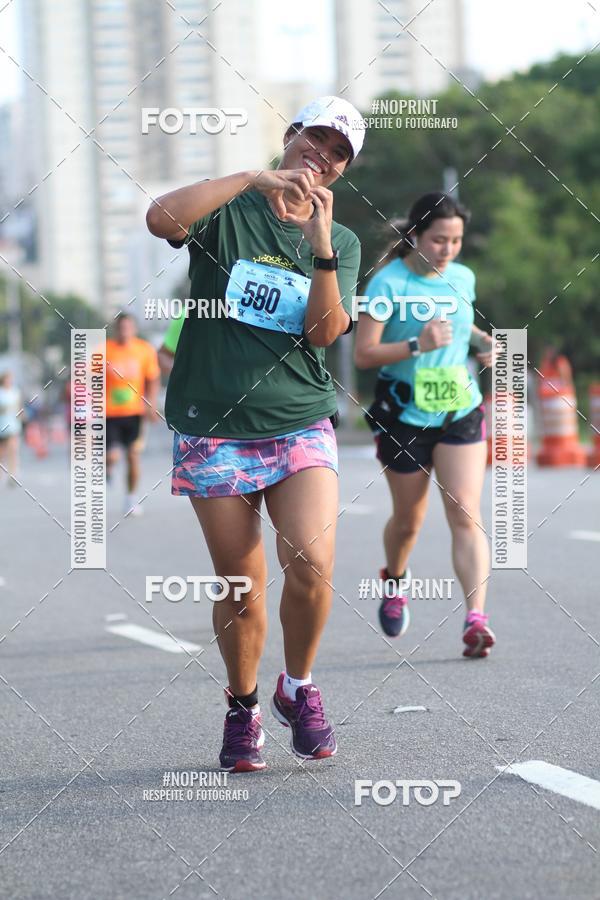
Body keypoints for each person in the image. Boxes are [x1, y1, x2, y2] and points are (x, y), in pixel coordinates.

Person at [146, 96, 365, 772]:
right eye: (313, 137)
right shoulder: (228, 209)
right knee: (241, 584)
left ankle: (297, 687)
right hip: (213, 422)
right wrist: (250, 178)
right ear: (291, 134)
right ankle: (242, 709)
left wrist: (322, 248)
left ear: (340, 169)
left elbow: (325, 333)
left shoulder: (344, 240)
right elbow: (160, 218)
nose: (319, 155)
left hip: (298, 415)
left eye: (336, 151)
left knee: (312, 559)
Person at [355, 192, 496, 659]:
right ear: (416, 235)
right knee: (410, 520)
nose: (448, 250)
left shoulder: (463, 277)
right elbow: (364, 354)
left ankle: (476, 618)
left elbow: (463, 322)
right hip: (404, 416)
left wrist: (480, 341)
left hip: (459, 408)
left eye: (455, 241)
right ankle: (395, 580)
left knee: (464, 511)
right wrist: (418, 344)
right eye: (439, 240)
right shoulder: (387, 284)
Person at [105, 313, 160, 516]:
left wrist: (151, 405)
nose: (124, 331)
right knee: (112, 456)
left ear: (134, 329)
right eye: (121, 327)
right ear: (116, 329)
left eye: (128, 327)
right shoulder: (105, 350)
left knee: (133, 456)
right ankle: (108, 467)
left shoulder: (144, 350)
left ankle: (130, 498)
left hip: (134, 412)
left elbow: (152, 379)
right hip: (109, 413)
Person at [0, 370, 22, 485]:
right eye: (7, 379)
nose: (9, 381)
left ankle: (12, 475)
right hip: (2, 424)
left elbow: (19, 407)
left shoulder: (15, 391)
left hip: (13, 424)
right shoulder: (1, 392)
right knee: (2, 452)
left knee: (13, 450)